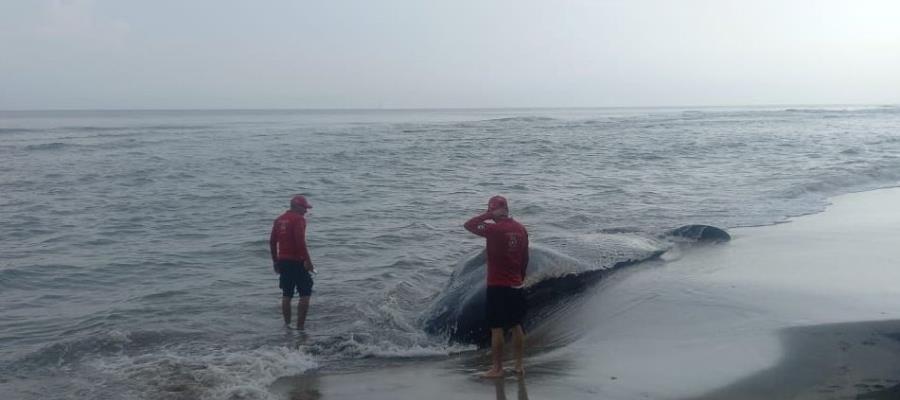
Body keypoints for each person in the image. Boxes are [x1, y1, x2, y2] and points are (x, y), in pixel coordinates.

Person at [464, 195, 529, 378]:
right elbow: (525, 258)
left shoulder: (493, 229)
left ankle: (497, 368)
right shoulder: (521, 229)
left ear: (493, 210)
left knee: (497, 328)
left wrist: (486, 215)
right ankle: (518, 366)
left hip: (497, 285)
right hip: (517, 284)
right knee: (517, 325)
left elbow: (469, 225)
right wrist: (520, 278)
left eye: (491, 210)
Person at [270, 195, 315, 330]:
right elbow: (300, 241)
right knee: (305, 293)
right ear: (297, 207)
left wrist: (275, 261)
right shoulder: (298, 219)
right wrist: (308, 261)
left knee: (287, 294)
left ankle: (287, 325)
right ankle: (300, 328)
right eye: (304, 208)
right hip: (297, 261)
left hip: (283, 261)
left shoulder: (278, 220)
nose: (306, 211)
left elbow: (272, 242)